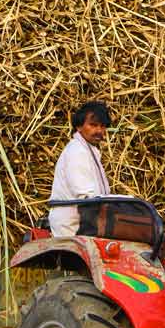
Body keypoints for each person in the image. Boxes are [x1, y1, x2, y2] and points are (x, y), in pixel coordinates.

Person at [48, 101, 112, 236]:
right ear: (79, 126)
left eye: (102, 126)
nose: (99, 131)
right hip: (73, 227)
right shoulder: (77, 151)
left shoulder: (89, 150)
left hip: (84, 224)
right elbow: (85, 196)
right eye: (93, 125)